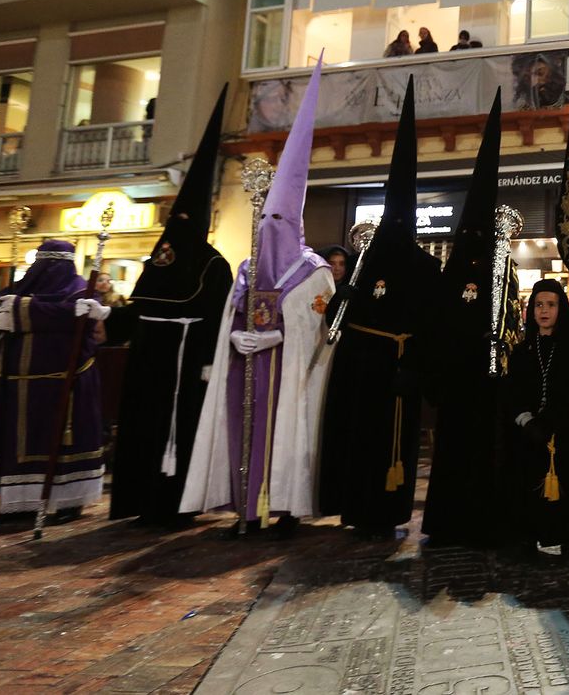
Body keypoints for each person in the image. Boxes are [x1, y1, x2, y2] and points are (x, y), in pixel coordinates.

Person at [181, 59, 335, 537]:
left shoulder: (314, 273)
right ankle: (246, 508)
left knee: (282, 438)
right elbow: (232, 315)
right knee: (242, 433)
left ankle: (281, 506)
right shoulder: (246, 269)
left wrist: (278, 339)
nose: (269, 230)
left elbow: (322, 336)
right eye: (265, 221)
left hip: (288, 381)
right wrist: (238, 336)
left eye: (279, 223)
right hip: (245, 371)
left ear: (296, 225)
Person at [318, 80, 443, 538]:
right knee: (360, 441)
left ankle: (389, 512)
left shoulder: (427, 269)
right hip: (360, 371)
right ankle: (355, 509)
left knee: (393, 447)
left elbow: (433, 324)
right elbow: (340, 314)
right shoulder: (362, 265)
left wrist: (418, 366)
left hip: (400, 369)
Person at [108, 89, 235, 527]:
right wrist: (102, 317)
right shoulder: (161, 259)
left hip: (184, 365)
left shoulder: (212, 264)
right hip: (151, 364)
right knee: (143, 429)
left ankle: (173, 504)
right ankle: (139, 500)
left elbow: (218, 317)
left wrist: (207, 362)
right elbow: (136, 307)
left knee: (174, 433)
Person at [422, 92, 516, 548]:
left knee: (484, 454)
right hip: (456, 383)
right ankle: (444, 524)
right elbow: (437, 324)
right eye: (470, 233)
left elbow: (509, 320)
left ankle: (482, 521)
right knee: (451, 454)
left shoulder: (503, 271)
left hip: (486, 383)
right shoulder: (451, 272)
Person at [0, 240, 111, 528]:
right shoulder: (14, 291)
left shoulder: (82, 293)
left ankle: (66, 502)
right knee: (12, 444)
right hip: (15, 385)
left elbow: (82, 326)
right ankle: (12, 503)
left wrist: (22, 312)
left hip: (62, 385)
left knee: (58, 445)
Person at [503, 279, 569, 560]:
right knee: (527, 484)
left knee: (567, 485)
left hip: (563, 432)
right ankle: (529, 538)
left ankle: (567, 540)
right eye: (538, 305)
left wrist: (554, 420)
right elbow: (513, 393)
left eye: (551, 305)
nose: (544, 311)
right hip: (529, 433)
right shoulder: (521, 352)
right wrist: (527, 421)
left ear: (561, 309)